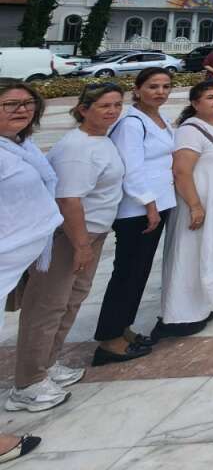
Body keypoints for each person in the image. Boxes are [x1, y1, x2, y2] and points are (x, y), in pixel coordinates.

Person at [7, 84, 123, 413]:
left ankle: (47, 363)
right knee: (47, 307)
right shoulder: (77, 148)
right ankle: (28, 382)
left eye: (116, 105)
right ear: (84, 109)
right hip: (69, 237)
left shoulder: (99, 141)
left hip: (90, 233)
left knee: (69, 302)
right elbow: (69, 199)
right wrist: (81, 244)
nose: (112, 111)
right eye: (103, 105)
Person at [93, 67, 175, 365]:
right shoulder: (130, 122)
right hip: (138, 210)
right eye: (153, 86)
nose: (161, 92)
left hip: (159, 204)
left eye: (166, 86)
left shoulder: (159, 118)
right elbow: (132, 167)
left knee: (139, 272)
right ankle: (109, 339)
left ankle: (123, 328)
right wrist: (149, 205)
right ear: (137, 89)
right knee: (127, 273)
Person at [154, 80, 213, 340]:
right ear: (195, 103)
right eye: (210, 97)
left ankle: (204, 304)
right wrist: (194, 205)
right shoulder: (190, 130)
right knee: (190, 255)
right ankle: (181, 315)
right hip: (199, 202)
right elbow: (181, 171)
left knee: (212, 252)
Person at [0, 81, 61, 452]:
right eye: (9, 104)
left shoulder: (20, 146)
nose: (21, 110)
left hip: (14, 257)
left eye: (27, 104)